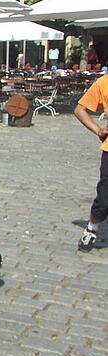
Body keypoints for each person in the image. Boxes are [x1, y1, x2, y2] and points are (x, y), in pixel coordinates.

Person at [74, 73, 108, 252]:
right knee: (104, 199)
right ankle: (92, 228)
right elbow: (80, 110)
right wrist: (98, 130)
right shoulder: (103, 83)